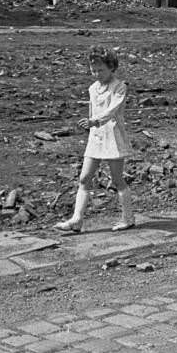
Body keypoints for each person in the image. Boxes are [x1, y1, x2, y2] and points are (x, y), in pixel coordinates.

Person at [55, 46, 134, 233]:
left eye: (101, 70)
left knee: (117, 180)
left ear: (112, 68)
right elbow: (93, 111)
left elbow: (112, 109)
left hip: (113, 136)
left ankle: (128, 218)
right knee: (84, 178)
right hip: (96, 136)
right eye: (94, 70)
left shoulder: (119, 87)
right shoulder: (92, 88)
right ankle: (77, 219)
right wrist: (90, 125)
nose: (97, 74)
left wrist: (95, 121)